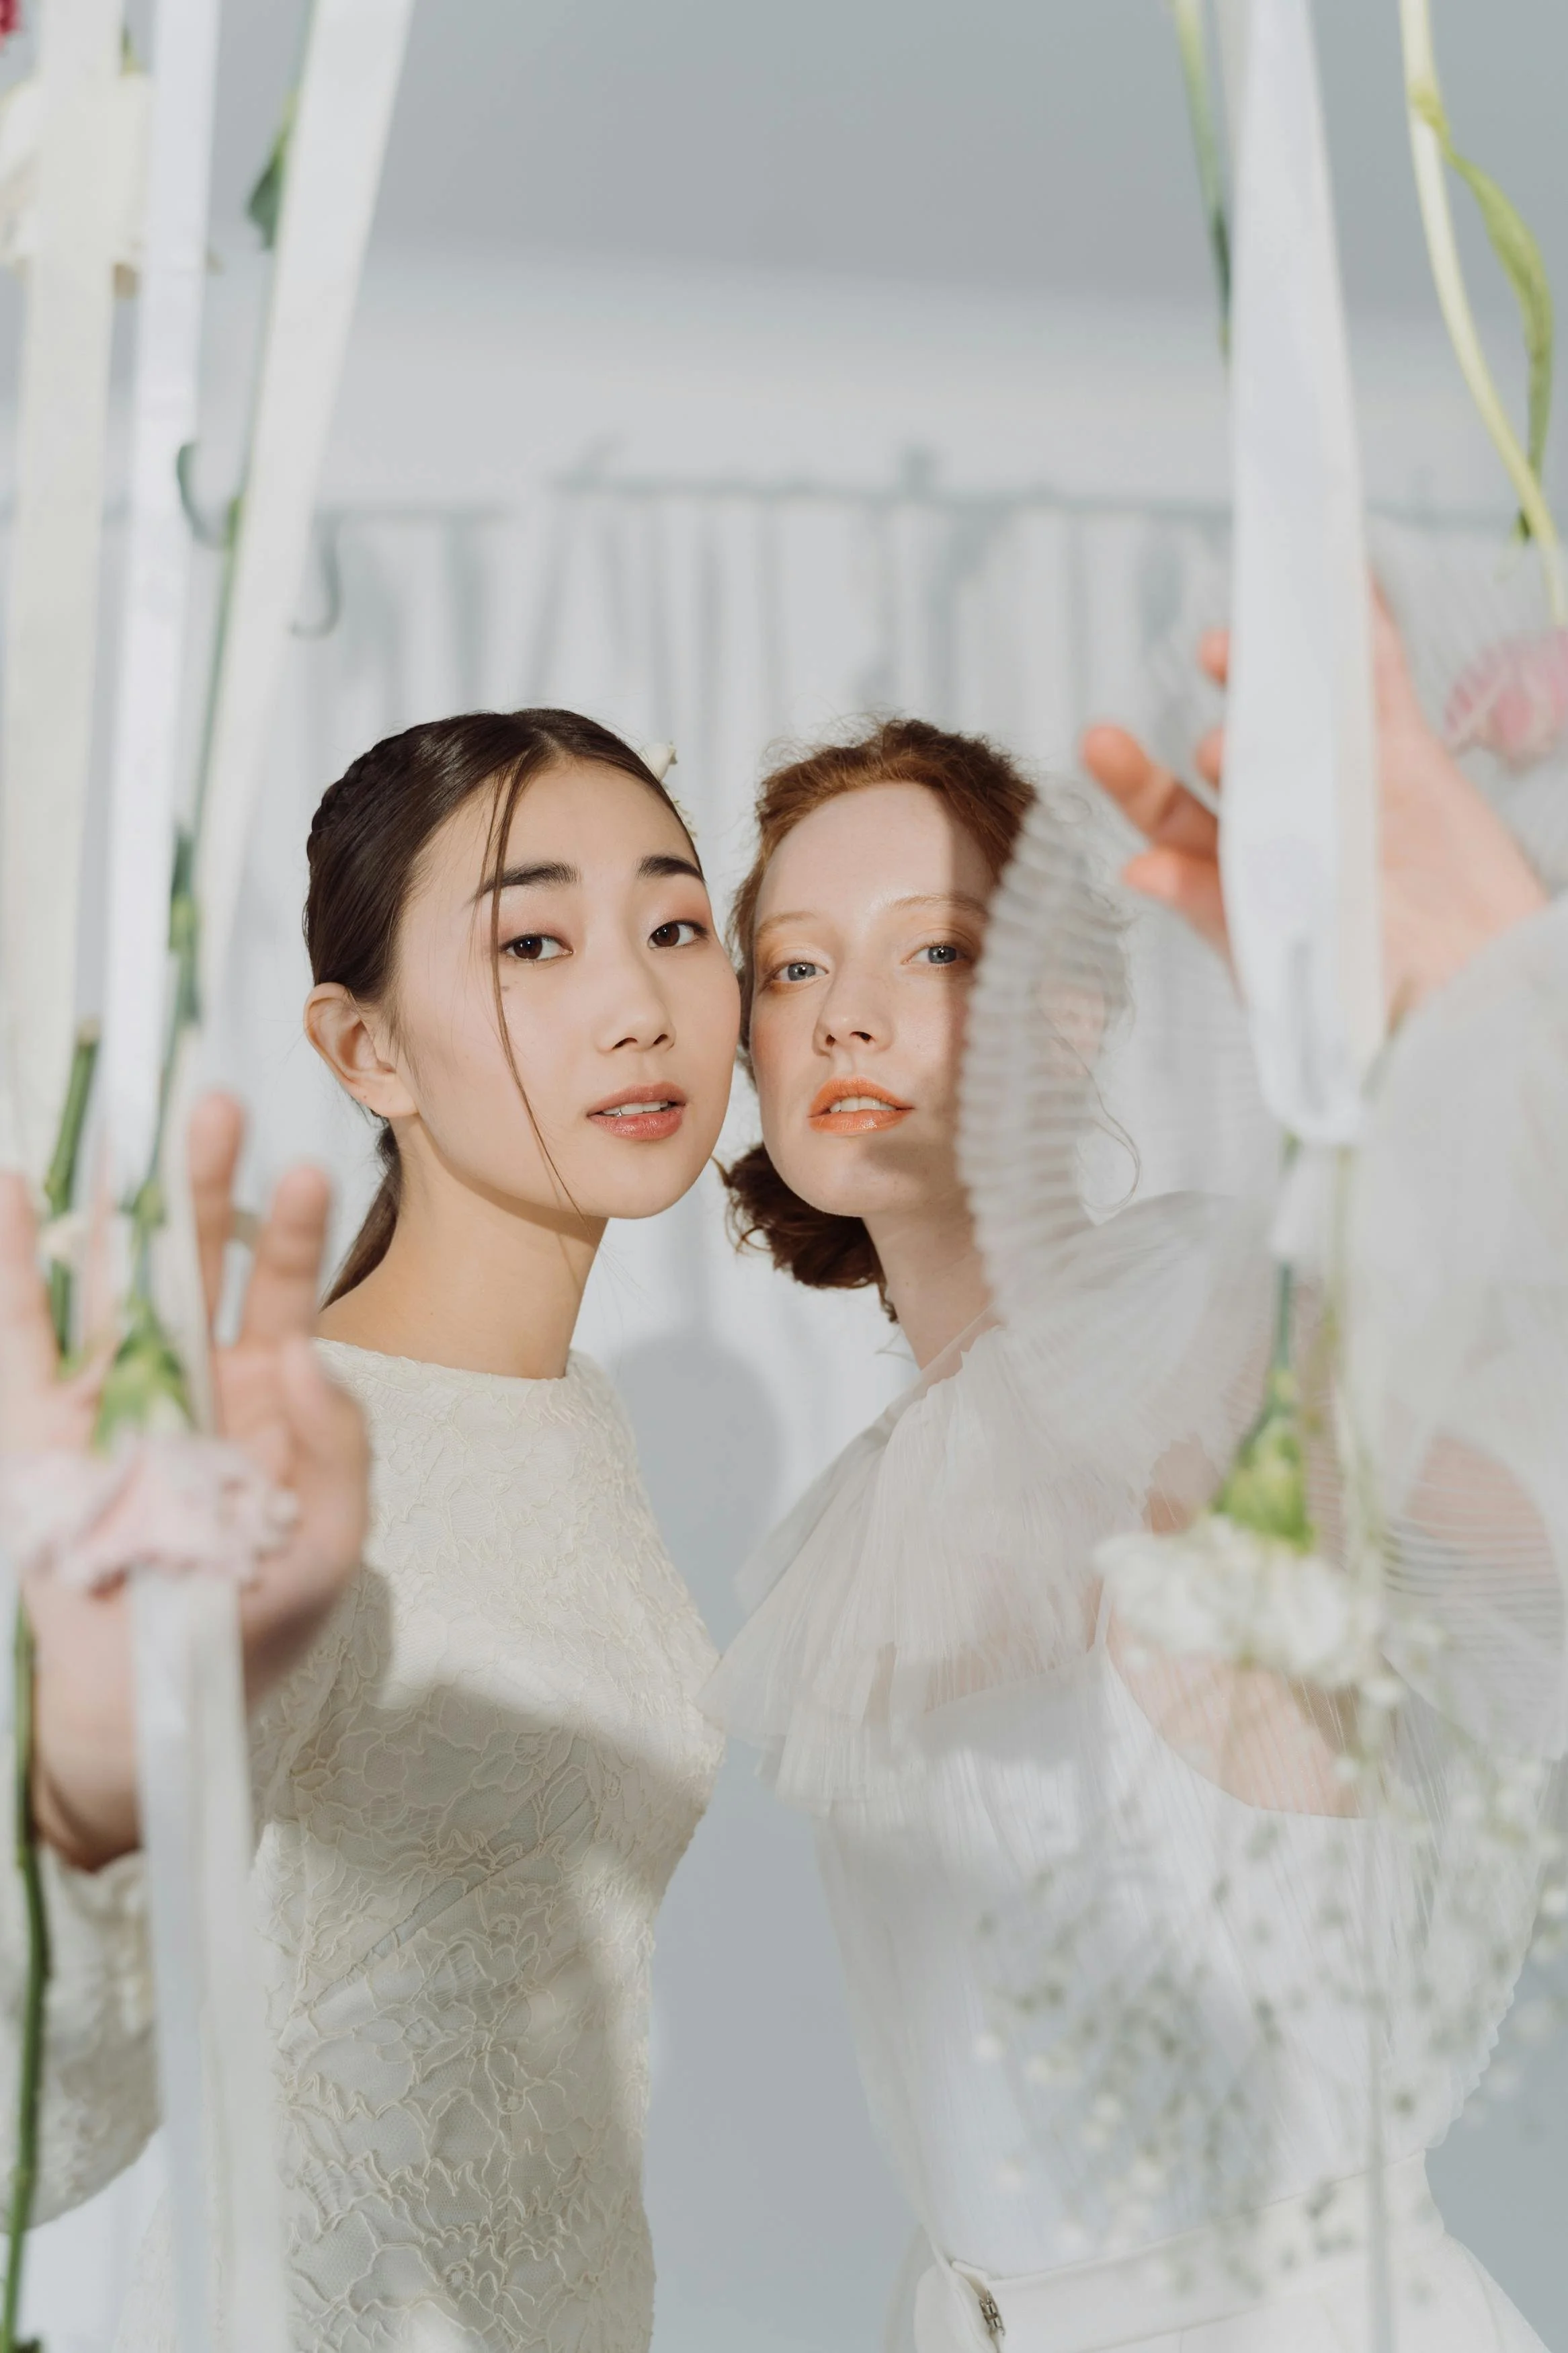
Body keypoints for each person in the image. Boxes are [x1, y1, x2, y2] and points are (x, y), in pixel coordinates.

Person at [706, 600, 1559, 2353]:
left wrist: (1481, 1020)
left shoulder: (1194, 1324)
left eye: (928, 952)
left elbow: (1505, 1446)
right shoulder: (865, 1513)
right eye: (791, 966)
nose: (844, 1014)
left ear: (1064, 1014)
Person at [1, 709, 743, 2353]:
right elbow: (35, 2136)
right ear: (365, 1051)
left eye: (677, 925)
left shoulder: (576, 1418)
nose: (638, 1002)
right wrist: (82, 1790)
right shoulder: (287, 1470)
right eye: (533, 940)